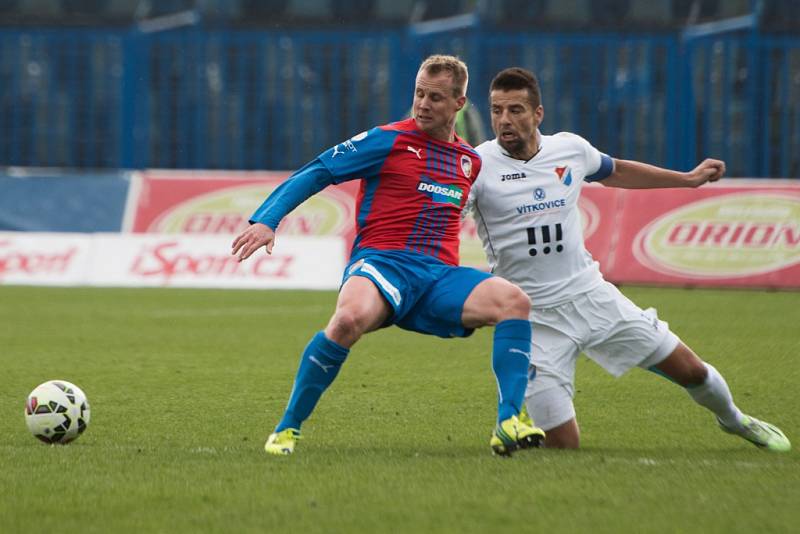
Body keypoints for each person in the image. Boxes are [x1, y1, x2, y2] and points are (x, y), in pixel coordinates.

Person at [231, 56, 545, 456]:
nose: (423, 104)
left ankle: (508, 422)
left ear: (459, 104)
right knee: (346, 321)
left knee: (514, 302)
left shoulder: (470, 161)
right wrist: (267, 220)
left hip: (437, 277)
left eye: (435, 97)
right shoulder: (388, 140)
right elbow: (318, 171)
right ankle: (287, 428)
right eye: (419, 93)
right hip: (382, 264)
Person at [467, 67, 790, 451]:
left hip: (592, 296)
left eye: (516, 109)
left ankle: (735, 420)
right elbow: (444, 211)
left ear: (538, 114)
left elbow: (616, 171)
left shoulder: (569, 149)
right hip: (532, 319)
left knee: (692, 371)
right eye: (497, 110)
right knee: (564, 445)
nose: (505, 120)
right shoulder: (476, 165)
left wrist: (687, 179)